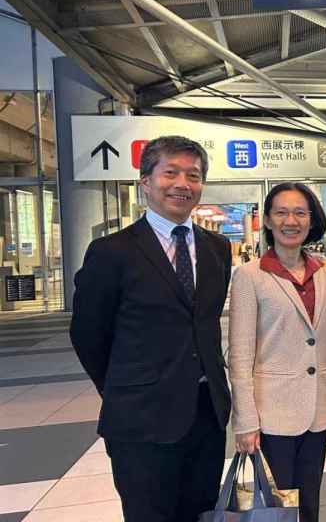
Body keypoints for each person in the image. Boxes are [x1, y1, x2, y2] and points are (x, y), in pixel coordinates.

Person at [70, 136, 232, 522]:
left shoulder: (217, 248)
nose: (182, 184)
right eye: (170, 172)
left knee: (201, 513)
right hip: (140, 419)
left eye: (193, 175)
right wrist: (126, 387)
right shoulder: (112, 252)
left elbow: (203, 324)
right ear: (146, 181)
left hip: (206, 415)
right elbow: (88, 334)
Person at [228, 182, 326, 522]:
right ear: (267, 220)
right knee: (277, 505)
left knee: (309, 501)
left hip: (317, 407)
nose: (290, 220)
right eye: (281, 212)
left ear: (311, 220)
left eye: (299, 212)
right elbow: (240, 353)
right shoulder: (250, 276)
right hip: (271, 412)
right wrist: (245, 420)